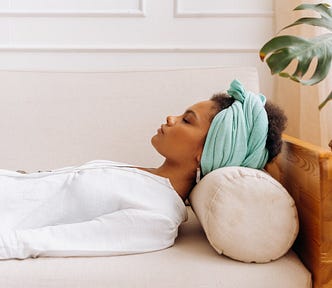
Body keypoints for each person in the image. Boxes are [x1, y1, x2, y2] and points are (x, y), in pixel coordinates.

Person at [0, 79, 286, 260]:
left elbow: (46, 241)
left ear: (207, 151)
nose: (170, 118)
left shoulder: (158, 217)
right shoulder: (146, 177)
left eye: (187, 120)